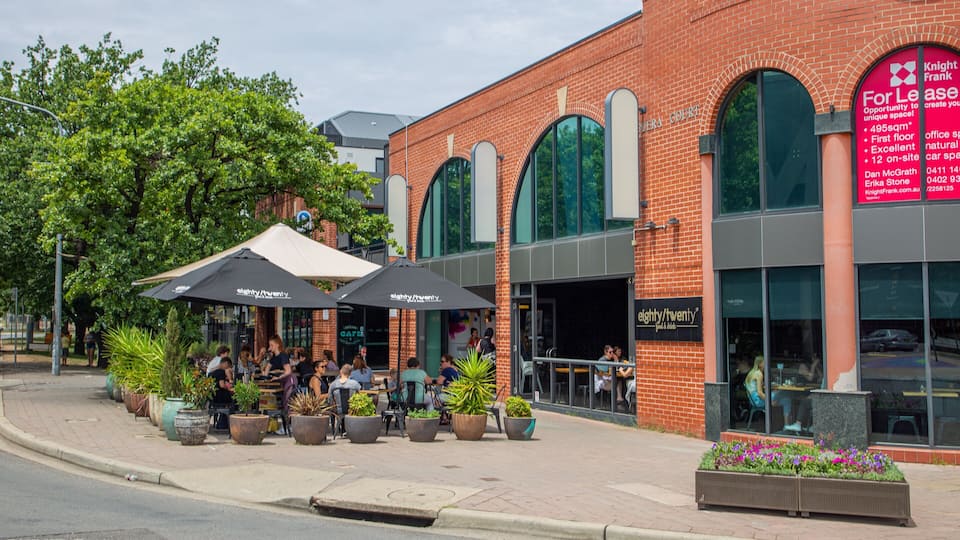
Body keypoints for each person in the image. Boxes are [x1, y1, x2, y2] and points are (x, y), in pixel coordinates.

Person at [745, 355, 797, 431]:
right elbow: (759, 393)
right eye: (764, 362)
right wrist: (769, 401)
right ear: (759, 364)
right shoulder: (759, 374)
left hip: (754, 400)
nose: (766, 364)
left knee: (786, 400)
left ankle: (786, 425)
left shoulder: (752, 373)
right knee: (783, 391)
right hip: (758, 400)